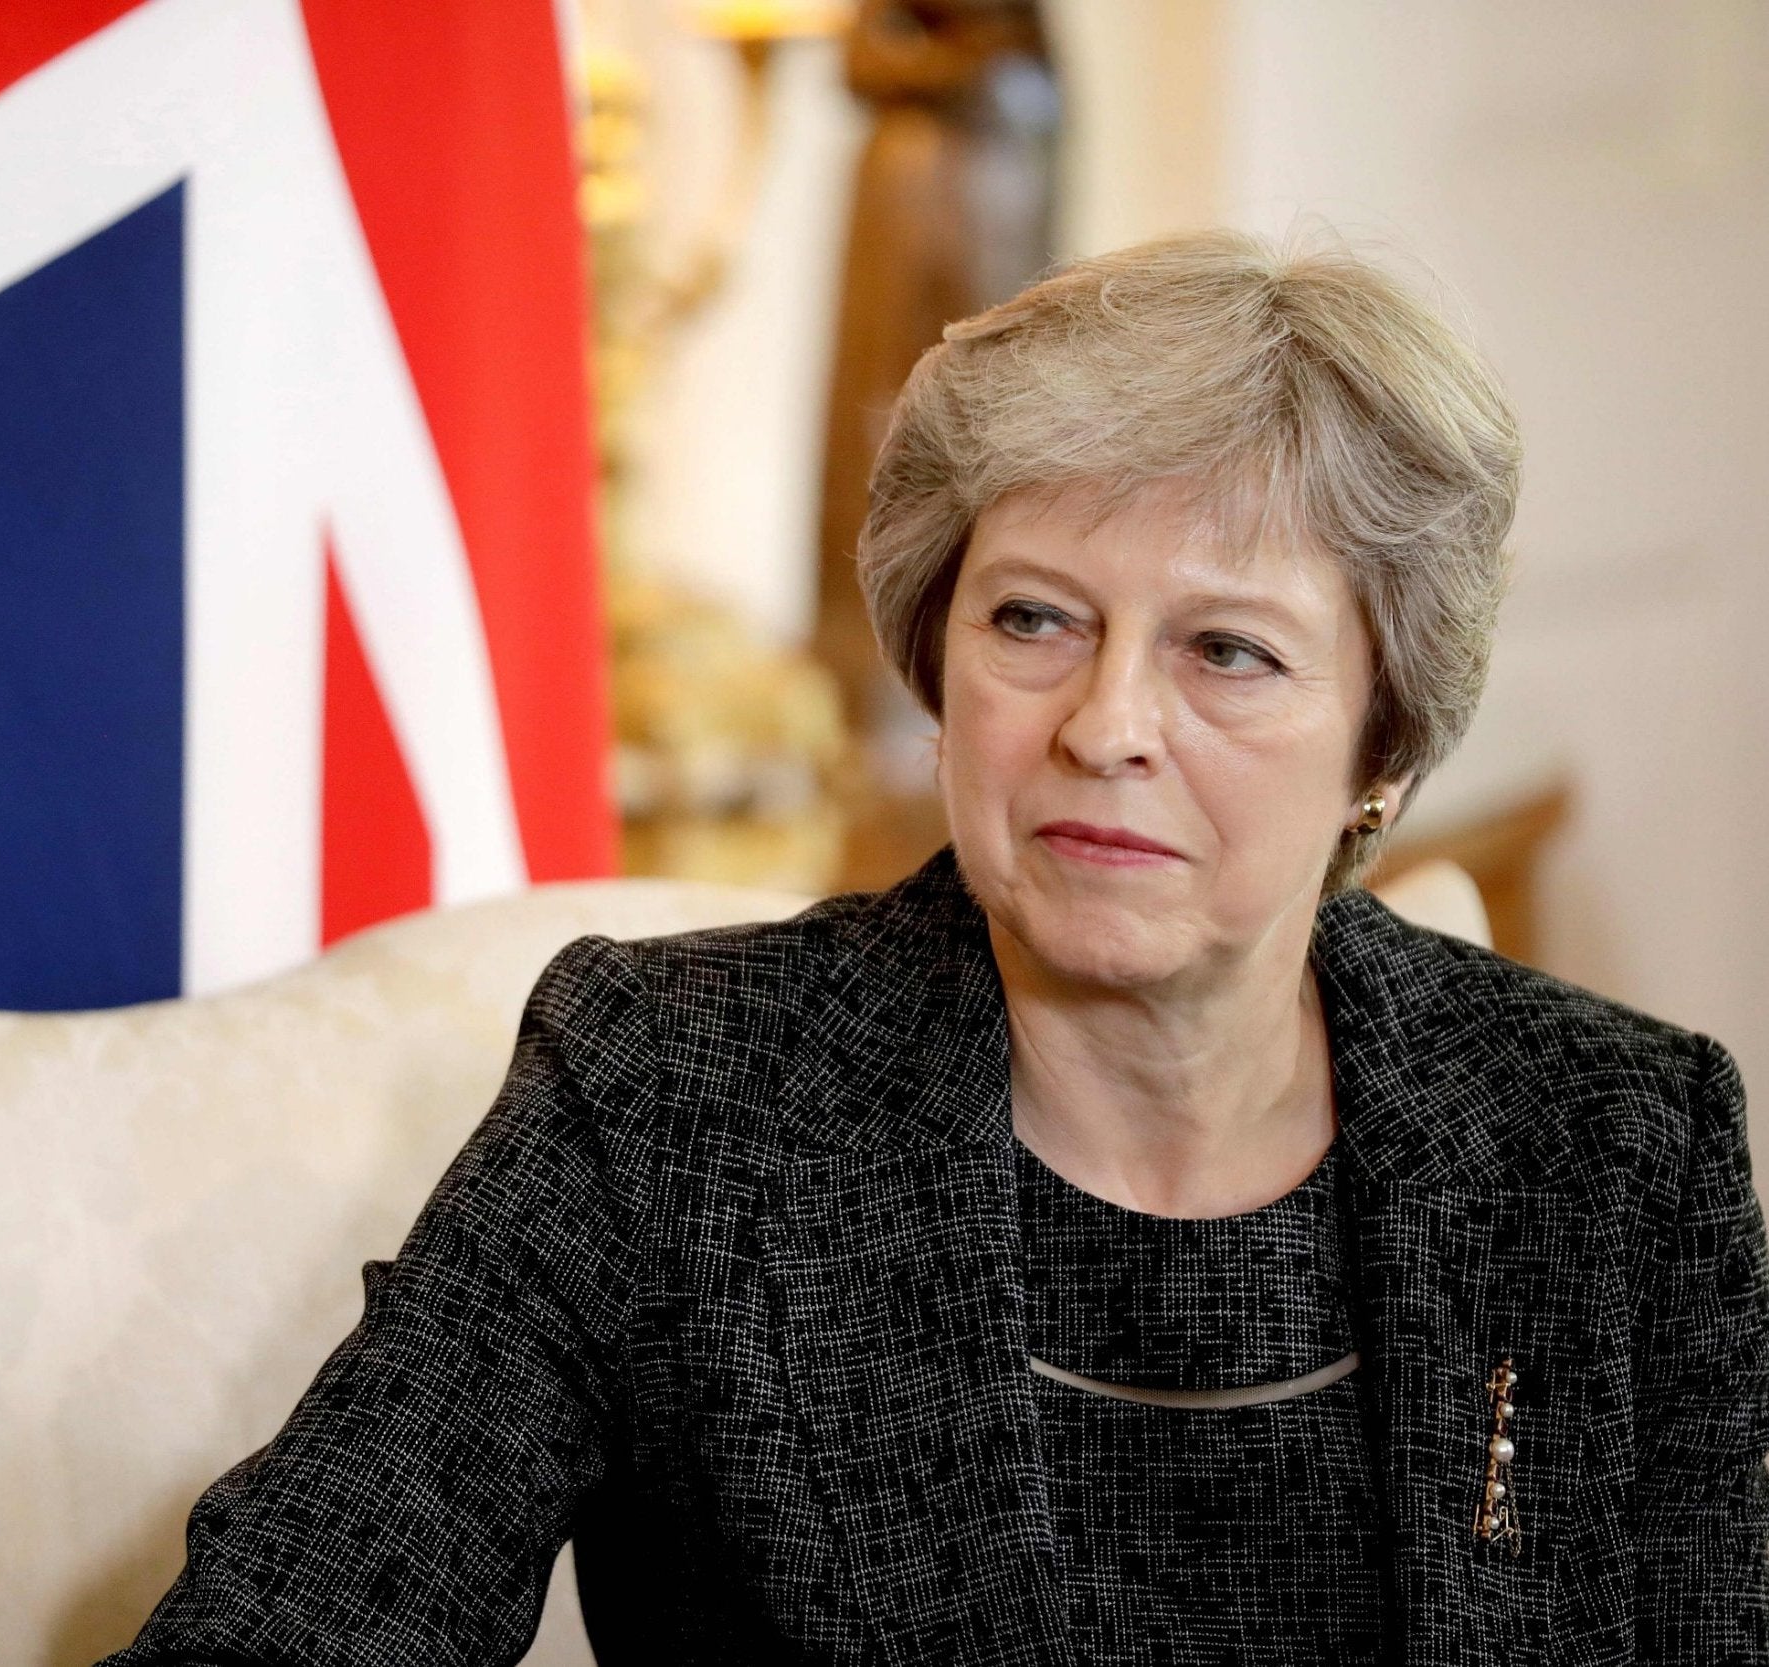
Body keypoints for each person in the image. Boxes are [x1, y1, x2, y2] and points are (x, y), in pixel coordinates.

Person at [101, 230, 1769, 1664]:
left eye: (1227, 652)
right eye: (1033, 619)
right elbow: (303, 1614)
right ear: (936, 655)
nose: (1105, 725)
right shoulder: (666, 1095)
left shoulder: (1612, 1142)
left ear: (1384, 749)